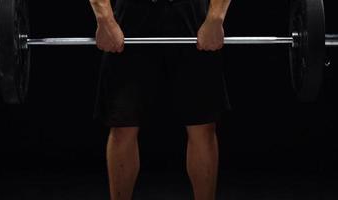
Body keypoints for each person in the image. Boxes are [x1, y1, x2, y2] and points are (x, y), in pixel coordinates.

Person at [90, 0, 232, 199]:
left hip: (191, 13)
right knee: (122, 125)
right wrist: (104, 19)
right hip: (132, 16)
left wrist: (216, 17)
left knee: (203, 125)